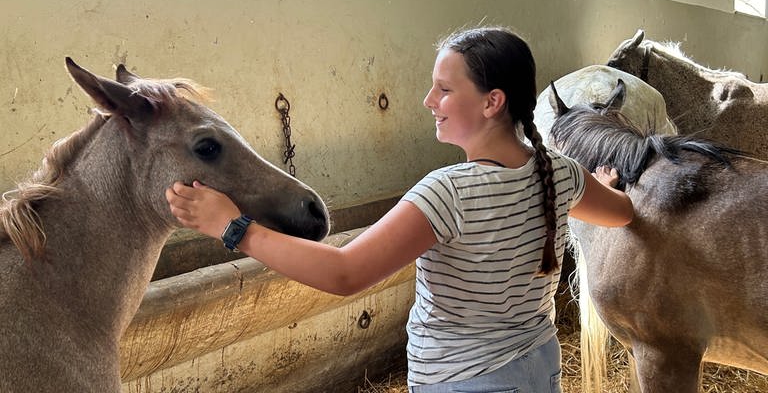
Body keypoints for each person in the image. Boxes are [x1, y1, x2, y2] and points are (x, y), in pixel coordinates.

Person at [166, 26, 633, 392]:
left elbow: (345, 273)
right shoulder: (562, 174)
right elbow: (623, 214)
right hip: (540, 369)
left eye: (444, 90)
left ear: (493, 102)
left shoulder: (448, 193)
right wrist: (602, 185)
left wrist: (232, 226)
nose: (429, 101)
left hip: (464, 382)